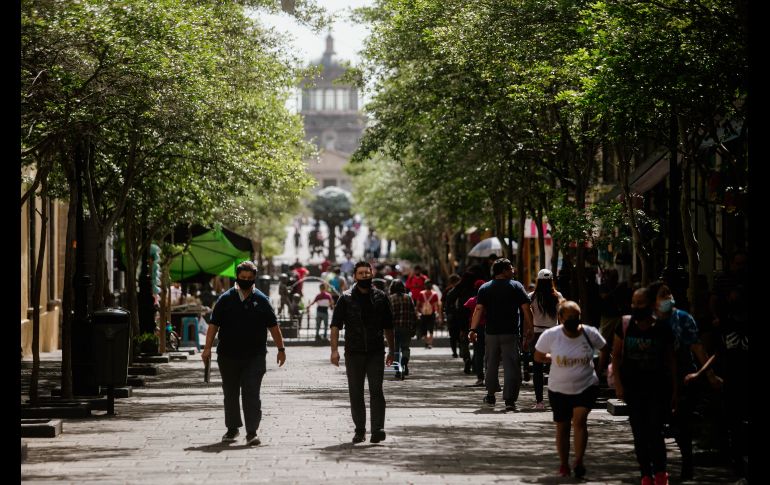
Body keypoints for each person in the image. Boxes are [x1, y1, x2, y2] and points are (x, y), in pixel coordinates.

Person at [202, 261, 286, 446]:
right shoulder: (225, 299)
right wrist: (207, 348)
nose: (246, 281)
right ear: (237, 277)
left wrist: (281, 349)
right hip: (228, 355)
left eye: (249, 278)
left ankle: (252, 432)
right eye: (243, 278)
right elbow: (213, 325)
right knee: (230, 393)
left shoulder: (262, 300)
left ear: (254, 278)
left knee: (251, 393)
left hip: (254, 356)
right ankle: (232, 429)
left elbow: (273, 326)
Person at [612, 287, 677, 485]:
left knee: (655, 431)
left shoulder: (662, 328)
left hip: (657, 388)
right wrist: (619, 385)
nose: (635, 307)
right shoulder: (624, 325)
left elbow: (671, 361)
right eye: (633, 303)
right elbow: (617, 356)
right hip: (633, 389)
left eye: (640, 303)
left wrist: (675, 390)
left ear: (650, 305)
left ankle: (660, 473)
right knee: (639, 433)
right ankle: (645, 474)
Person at [535, 300, 607, 478]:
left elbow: (605, 349)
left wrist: (598, 370)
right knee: (563, 426)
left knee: (580, 421)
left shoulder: (590, 333)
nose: (572, 320)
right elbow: (538, 356)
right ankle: (564, 463)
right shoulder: (551, 335)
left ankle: (579, 461)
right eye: (568, 317)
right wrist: (553, 358)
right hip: (558, 389)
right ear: (560, 318)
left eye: (576, 317)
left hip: (586, 386)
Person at [330, 261, 395, 444]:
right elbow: (335, 326)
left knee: (376, 391)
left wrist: (392, 350)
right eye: (361, 273)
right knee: (356, 393)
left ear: (372, 274)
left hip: (376, 352)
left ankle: (377, 429)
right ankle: (360, 430)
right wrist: (334, 351)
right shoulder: (346, 298)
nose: (365, 276)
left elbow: (389, 327)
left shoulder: (382, 297)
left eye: (367, 273)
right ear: (355, 276)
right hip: (354, 352)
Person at [469, 258, 534, 412]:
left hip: (491, 333)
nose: (513, 270)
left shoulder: (485, 288)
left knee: (491, 363)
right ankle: (510, 400)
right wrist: (530, 328)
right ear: (504, 271)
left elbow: (478, 309)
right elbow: (526, 309)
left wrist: (472, 329)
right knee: (511, 365)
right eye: (511, 268)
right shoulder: (516, 286)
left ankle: (490, 394)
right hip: (510, 333)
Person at [527, 268, 564, 410]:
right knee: (555, 367)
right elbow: (561, 317)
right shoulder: (558, 296)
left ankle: (539, 402)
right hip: (554, 334)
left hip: (537, 334)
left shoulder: (532, 296)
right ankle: (557, 400)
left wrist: (526, 335)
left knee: (537, 369)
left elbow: (527, 317)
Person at [388, 279, 418, 379]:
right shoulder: (408, 298)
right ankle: (404, 360)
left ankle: (397, 369)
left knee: (395, 349)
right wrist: (414, 327)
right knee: (405, 347)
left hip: (394, 328)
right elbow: (414, 314)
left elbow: (387, 315)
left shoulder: (390, 298)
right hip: (406, 327)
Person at [416, 279, 442, 349]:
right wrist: (439, 315)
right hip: (432, 313)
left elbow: (418, 304)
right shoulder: (434, 294)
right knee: (431, 328)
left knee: (424, 328)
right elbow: (437, 305)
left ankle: (426, 342)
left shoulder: (421, 293)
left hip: (423, 313)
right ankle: (430, 343)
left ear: (424, 285)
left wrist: (417, 312)